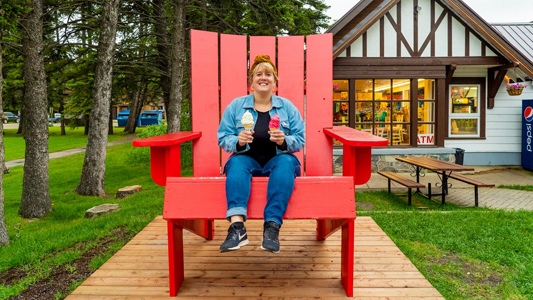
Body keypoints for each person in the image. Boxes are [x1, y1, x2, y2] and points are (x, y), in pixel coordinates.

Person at [217, 55, 305, 253]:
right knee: (236, 164)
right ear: (252, 81)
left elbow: (300, 139)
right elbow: (223, 137)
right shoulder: (236, 106)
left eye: (268, 74)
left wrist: (285, 141)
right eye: (258, 74)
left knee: (285, 164)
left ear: (275, 82)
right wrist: (237, 142)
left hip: (278, 159)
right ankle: (237, 228)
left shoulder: (287, 108)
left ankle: (272, 227)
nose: (263, 78)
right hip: (247, 159)